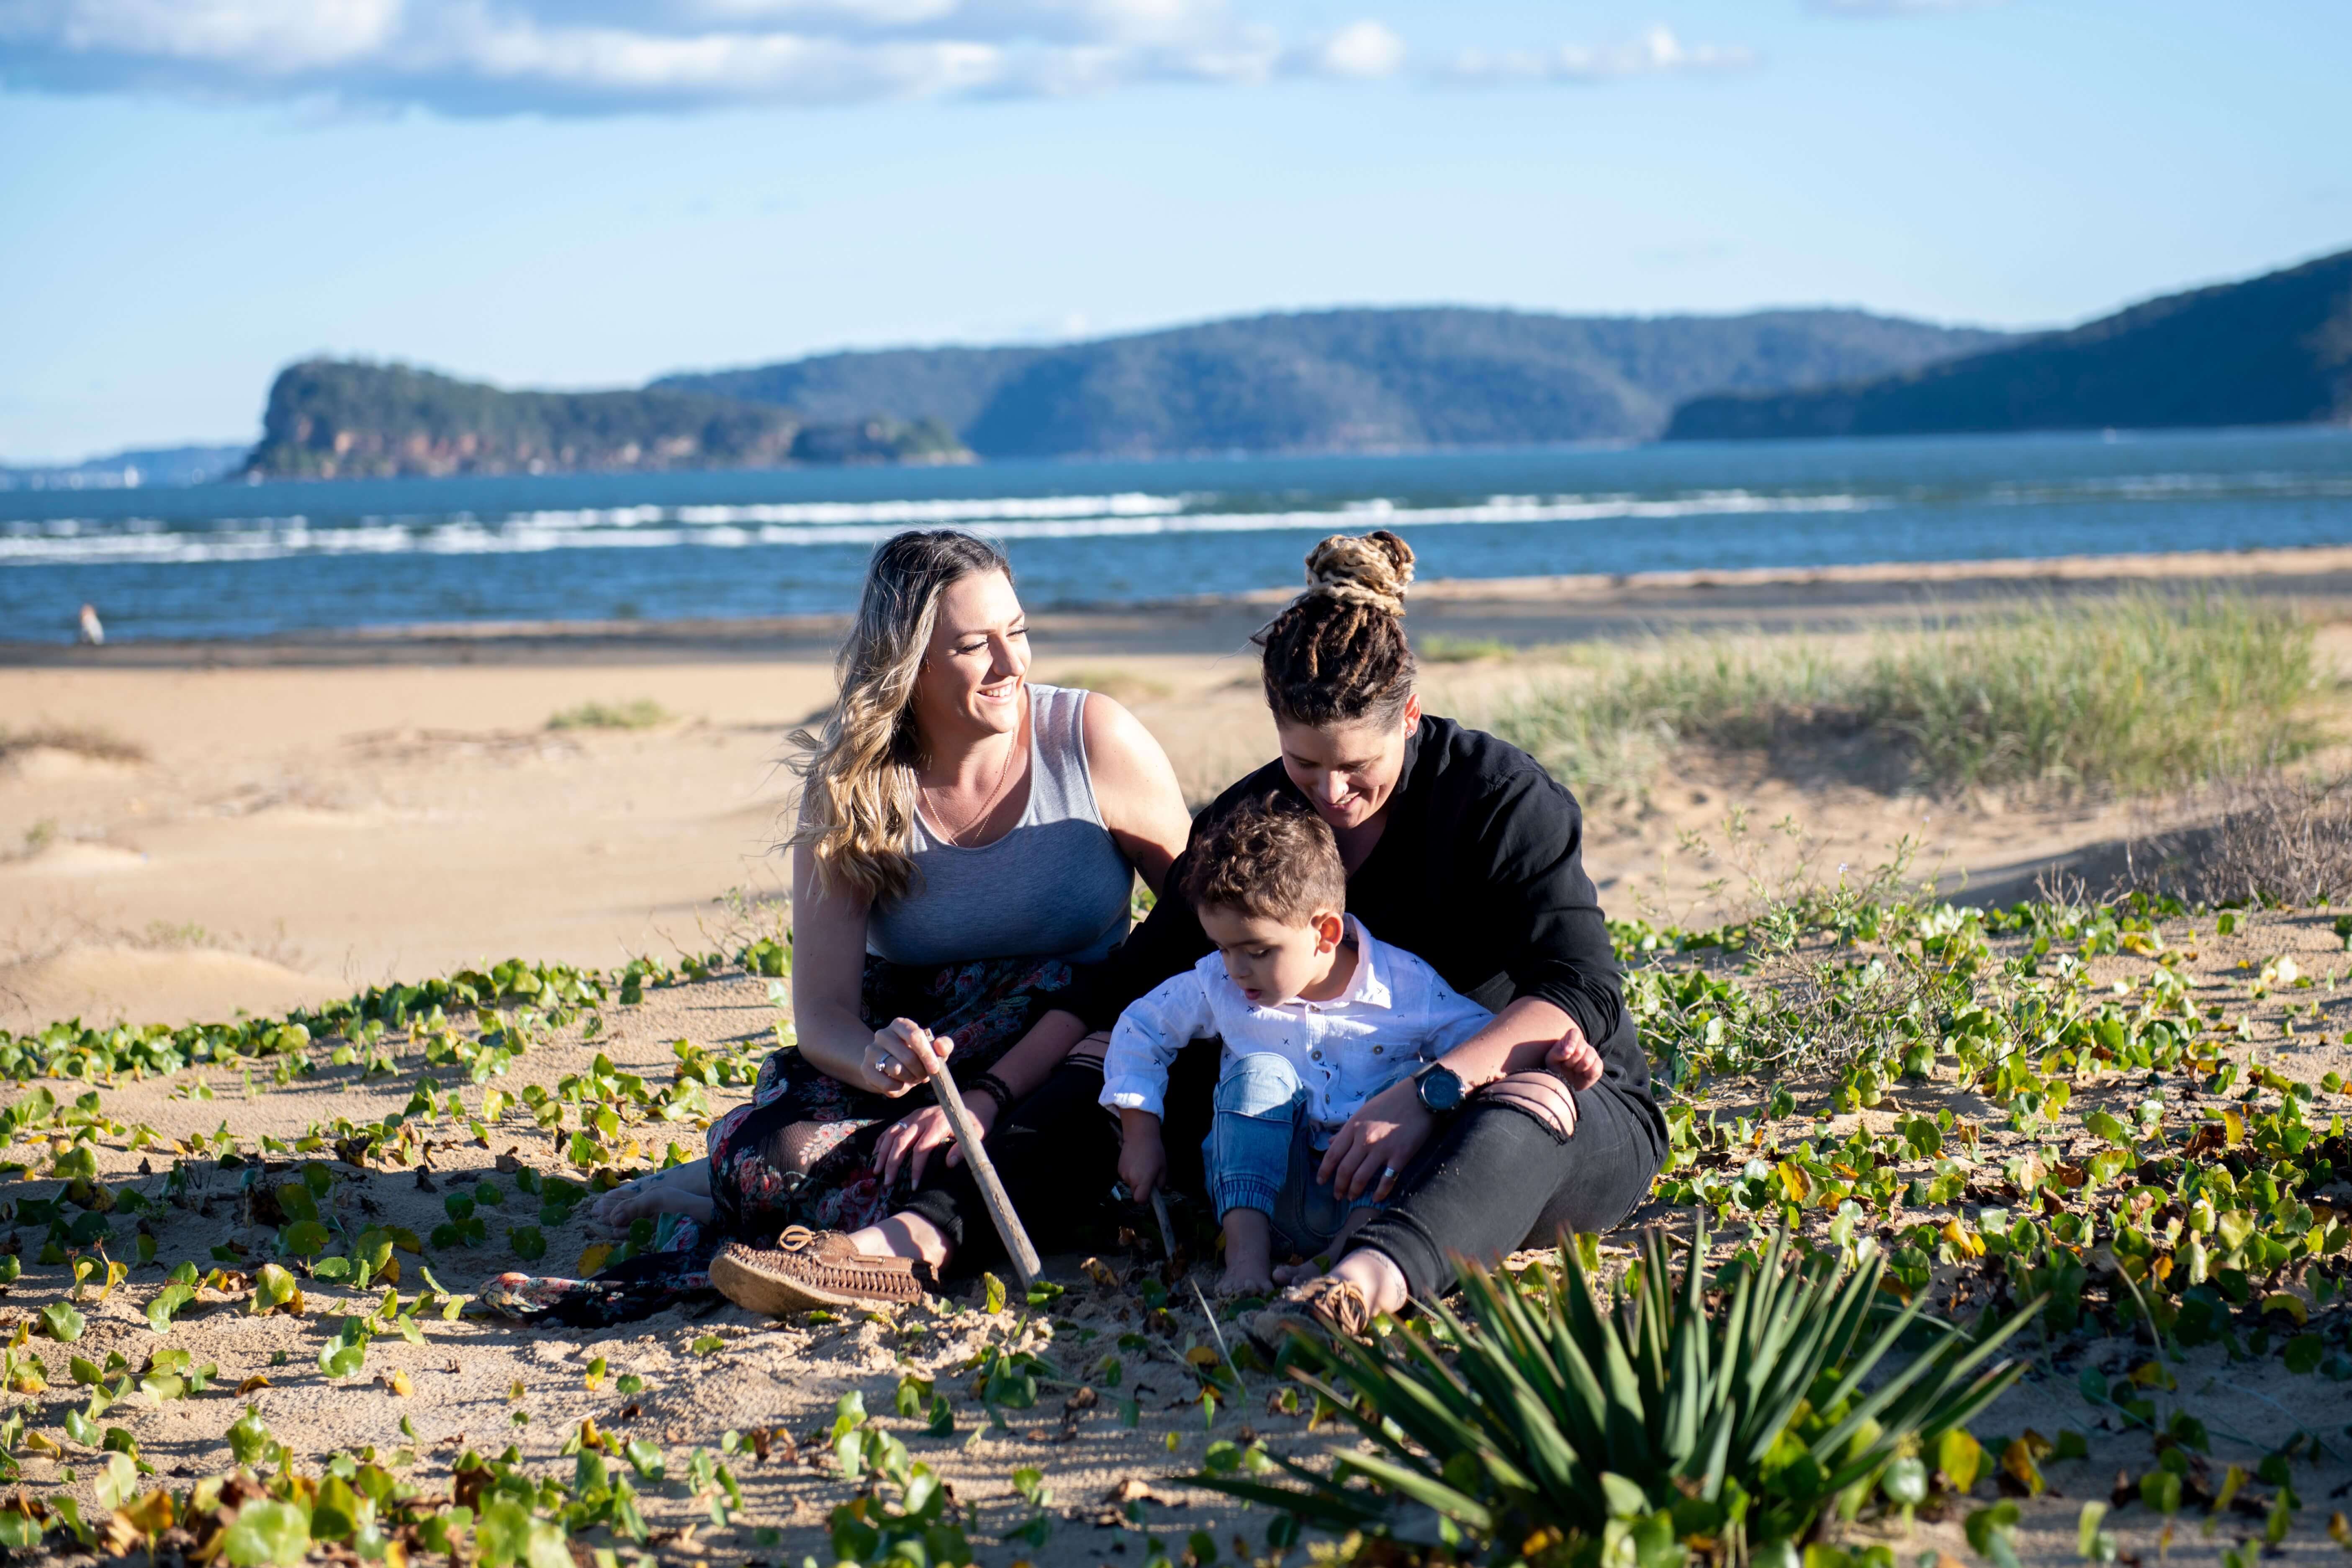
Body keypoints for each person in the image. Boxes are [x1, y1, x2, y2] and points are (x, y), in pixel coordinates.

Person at [709, 527, 1664, 1343]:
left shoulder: (1498, 798)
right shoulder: (1260, 816)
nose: (1327, 796)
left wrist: (1431, 1090)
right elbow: (1129, 979)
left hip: (1506, 1106)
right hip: (1315, 1123)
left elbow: (1577, 993)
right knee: (1110, 1061)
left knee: (1530, 1097)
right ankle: (902, 1248)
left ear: (1408, 716)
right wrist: (1000, 1093)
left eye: (1356, 768)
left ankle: (1356, 1289)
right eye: (1302, 764)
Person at [481, 527, 1192, 1325]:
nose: (1011, 664)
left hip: (1067, 1036)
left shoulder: (1093, 741)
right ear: (909, 663)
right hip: (923, 1042)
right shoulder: (856, 782)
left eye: (1017, 632)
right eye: (973, 646)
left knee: (1026, 1155)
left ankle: (796, 1216)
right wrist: (876, 1058)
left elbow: (1196, 922)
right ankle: (718, 1178)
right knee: (770, 1165)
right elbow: (821, 1011)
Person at [1103, 791, 1600, 1296]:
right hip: (1265, 1196)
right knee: (1258, 1074)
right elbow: (1143, 1026)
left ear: (1325, 932)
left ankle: (1341, 1256)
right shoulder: (1220, 983)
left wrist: (1556, 1060)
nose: (1237, 968)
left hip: (1375, 1199)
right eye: (1223, 948)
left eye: (1257, 950)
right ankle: (1244, 1260)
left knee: (1410, 1084)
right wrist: (1141, 1132)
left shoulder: (1403, 987)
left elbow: (1478, 1049)